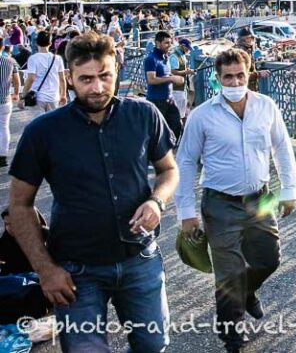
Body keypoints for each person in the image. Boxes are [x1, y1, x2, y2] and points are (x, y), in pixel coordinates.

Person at [8, 32, 179, 352]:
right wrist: (45, 270)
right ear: (69, 78)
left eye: (105, 76)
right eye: (85, 79)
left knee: (152, 345)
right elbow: (19, 206)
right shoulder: (43, 132)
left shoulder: (144, 115)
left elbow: (169, 170)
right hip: (75, 270)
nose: (97, 87)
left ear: (118, 70)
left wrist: (157, 201)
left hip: (139, 259)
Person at [174, 48, 296, 353]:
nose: (235, 81)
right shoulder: (202, 115)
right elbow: (186, 161)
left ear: (249, 73)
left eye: (240, 75)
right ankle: (231, 335)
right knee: (228, 273)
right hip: (220, 204)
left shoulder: (266, 107)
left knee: (269, 259)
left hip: (261, 198)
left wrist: (289, 189)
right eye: (228, 77)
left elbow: (282, 148)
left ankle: (248, 289)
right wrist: (186, 211)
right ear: (218, 79)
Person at [145, 31, 184, 141]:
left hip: (169, 99)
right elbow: (151, 80)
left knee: (177, 126)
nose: (169, 45)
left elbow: (166, 75)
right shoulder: (151, 59)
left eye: (170, 43)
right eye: (166, 43)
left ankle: (169, 150)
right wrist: (171, 78)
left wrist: (176, 77)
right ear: (158, 43)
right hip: (156, 100)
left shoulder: (166, 58)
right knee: (157, 131)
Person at [21, 31, 66, 113]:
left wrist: (23, 96)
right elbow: (62, 79)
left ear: (37, 42)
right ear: (50, 43)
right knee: (52, 124)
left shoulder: (33, 58)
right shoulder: (58, 58)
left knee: (38, 124)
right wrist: (63, 95)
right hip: (54, 97)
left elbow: (31, 78)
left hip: (38, 97)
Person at [0, 47, 21, 167]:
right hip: (5, 99)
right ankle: (2, 155)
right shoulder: (10, 61)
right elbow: (17, 80)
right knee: (4, 127)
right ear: (2, 47)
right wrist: (16, 93)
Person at [234, 28, 269, 93]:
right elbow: (240, 75)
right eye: (248, 38)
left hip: (248, 90)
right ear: (242, 40)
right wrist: (259, 74)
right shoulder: (240, 53)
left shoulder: (247, 50)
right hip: (243, 91)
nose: (251, 40)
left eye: (252, 38)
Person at [168, 38, 195, 122]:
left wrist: (187, 70)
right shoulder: (174, 56)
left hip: (183, 88)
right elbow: (173, 71)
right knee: (178, 113)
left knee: (183, 111)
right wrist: (186, 71)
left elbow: (182, 68)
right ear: (182, 46)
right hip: (177, 89)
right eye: (187, 48)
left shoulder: (182, 55)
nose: (188, 50)